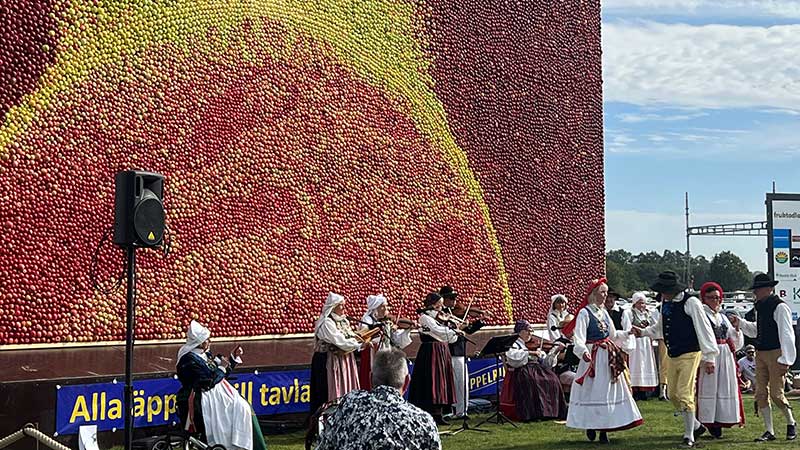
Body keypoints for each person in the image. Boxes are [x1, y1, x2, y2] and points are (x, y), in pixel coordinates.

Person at [635, 271, 719, 448]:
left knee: (684, 393)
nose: (662, 294)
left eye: (664, 290)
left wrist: (710, 356)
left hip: (690, 353)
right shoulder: (666, 303)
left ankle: (689, 437)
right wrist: (642, 332)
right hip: (673, 353)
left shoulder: (691, 302)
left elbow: (704, 329)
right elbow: (660, 328)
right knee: (672, 394)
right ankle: (696, 426)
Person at [563, 278, 642, 444]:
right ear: (594, 294)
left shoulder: (604, 312)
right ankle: (591, 424)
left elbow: (612, 334)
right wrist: (583, 352)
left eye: (606, 292)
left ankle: (605, 429)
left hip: (607, 357)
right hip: (593, 356)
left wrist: (627, 333)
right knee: (593, 391)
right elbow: (579, 337)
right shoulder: (585, 313)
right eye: (602, 292)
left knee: (607, 391)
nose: (605, 295)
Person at [317, 348, 442, 450]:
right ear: (407, 382)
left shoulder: (347, 407)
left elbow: (324, 445)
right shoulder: (423, 421)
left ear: (370, 379)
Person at [176, 321, 268, 450]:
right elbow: (208, 382)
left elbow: (220, 374)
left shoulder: (205, 355)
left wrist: (232, 358)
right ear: (200, 342)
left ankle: (240, 443)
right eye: (207, 339)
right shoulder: (188, 360)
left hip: (216, 393)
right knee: (238, 408)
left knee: (243, 407)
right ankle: (230, 443)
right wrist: (221, 368)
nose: (209, 341)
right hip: (201, 396)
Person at [729, 273, 797, 442]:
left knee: (776, 394)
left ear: (768, 289)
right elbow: (756, 330)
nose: (755, 293)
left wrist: (786, 359)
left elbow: (787, 333)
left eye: (758, 289)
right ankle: (769, 430)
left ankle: (791, 422)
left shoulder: (779, 307)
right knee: (760, 393)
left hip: (776, 353)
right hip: (761, 353)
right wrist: (741, 323)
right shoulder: (760, 307)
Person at [695, 281, 745, 438]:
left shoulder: (722, 317)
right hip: (710, 353)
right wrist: (706, 358)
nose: (715, 301)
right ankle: (707, 421)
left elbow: (732, 338)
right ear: (704, 299)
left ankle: (721, 419)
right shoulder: (702, 315)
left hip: (725, 354)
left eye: (717, 298)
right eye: (711, 298)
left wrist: (737, 330)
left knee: (724, 386)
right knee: (709, 387)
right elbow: (700, 337)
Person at [500, 320, 568, 422]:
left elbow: (546, 364)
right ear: (520, 332)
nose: (530, 333)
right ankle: (536, 413)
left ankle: (552, 412)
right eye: (527, 331)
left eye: (531, 331)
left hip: (537, 369)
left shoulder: (533, 344)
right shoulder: (513, 343)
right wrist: (529, 353)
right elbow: (512, 358)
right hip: (521, 371)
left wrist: (555, 352)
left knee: (553, 379)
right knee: (533, 381)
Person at [408, 292, 460, 425]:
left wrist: (453, 328)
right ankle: (430, 412)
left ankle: (440, 413)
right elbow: (437, 331)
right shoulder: (424, 318)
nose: (441, 308)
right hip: (430, 351)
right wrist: (451, 329)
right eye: (439, 305)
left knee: (442, 382)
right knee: (432, 381)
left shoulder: (439, 318)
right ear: (432, 305)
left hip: (442, 350)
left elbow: (450, 338)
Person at [309, 293, 363, 418]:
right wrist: (358, 345)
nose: (344, 308)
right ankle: (324, 417)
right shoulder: (326, 323)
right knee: (325, 390)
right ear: (333, 307)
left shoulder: (343, 322)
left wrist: (359, 341)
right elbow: (340, 341)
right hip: (327, 361)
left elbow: (350, 337)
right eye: (341, 306)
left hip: (342, 360)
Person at [439, 285, 484, 419]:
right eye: (451, 298)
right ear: (444, 299)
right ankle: (451, 410)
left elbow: (468, 330)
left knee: (462, 383)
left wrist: (480, 321)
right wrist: (458, 326)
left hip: (459, 351)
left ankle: (461, 410)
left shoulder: (456, 313)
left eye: (454, 298)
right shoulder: (441, 314)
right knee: (452, 383)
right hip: (449, 351)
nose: (454, 301)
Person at [358, 294, 413, 390]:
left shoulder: (387, 322)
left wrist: (407, 330)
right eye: (383, 306)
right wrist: (379, 331)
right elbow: (366, 336)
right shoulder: (367, 320)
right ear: (376, 308)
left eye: (387, 306)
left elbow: (396, 340)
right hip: (373, 353)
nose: (386, 309)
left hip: (387, 355)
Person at [622, 292, 658, 399]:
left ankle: (644, 391)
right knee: (635, 364)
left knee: (645, 364)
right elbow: (626, 326)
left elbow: (655, 326)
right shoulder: (629, 313)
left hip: (646, 342)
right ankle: (634, 389)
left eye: (643, 303)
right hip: (635, 342)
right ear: (634, 303)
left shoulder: (648, 314)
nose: (642, 305)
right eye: (639, 303)